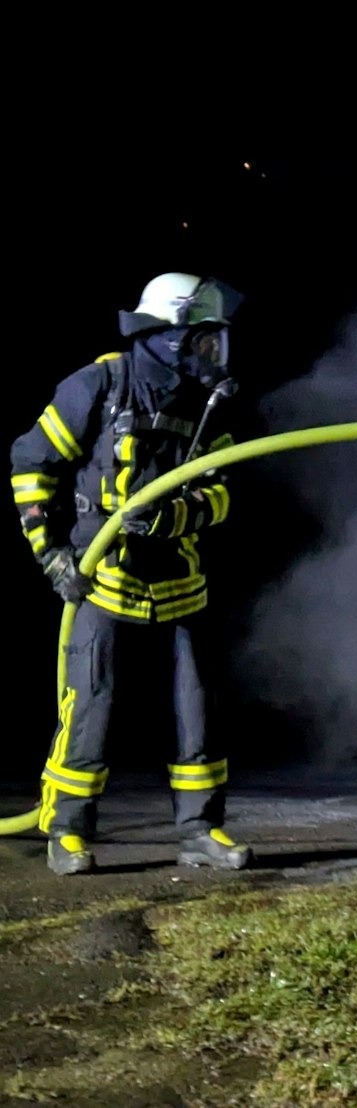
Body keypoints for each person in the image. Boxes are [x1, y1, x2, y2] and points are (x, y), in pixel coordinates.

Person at [12, 273, 251, 876]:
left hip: (181, 582)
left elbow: (223, 493)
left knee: (198, 711)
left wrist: (175, 516)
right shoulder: (99, 385)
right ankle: (67, 830)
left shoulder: (205, 403)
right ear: (170, 337)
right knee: (89, 707)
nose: (213, 352)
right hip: (103, 580)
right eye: (204, 339)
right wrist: (52, 554)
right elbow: (31, 463)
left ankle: (200, 830)